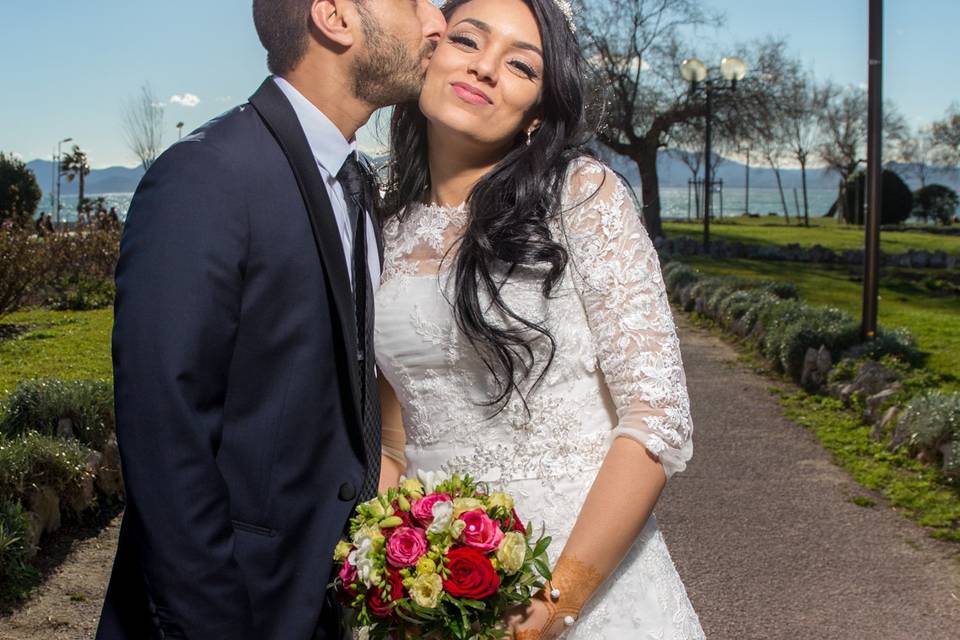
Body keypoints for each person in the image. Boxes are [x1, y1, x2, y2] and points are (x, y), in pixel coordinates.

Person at [96, 1, 444, 639]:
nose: (436, 22)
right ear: (335, 16)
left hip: (326, 602)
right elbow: (164, 434)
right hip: (231, 610)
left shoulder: (359, 186)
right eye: (412, 1)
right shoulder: (206, 176)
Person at [376, 0, 704, 637]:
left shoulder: (582, 196)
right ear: (430, 53)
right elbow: (394, 441)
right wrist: (386, 572)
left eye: (521, 66)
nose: (485, 68)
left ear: (537, 113)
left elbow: (656, 419)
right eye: (467, 40)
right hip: (434, 591)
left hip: (582, 575)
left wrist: (552, 608)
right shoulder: (381, 226)